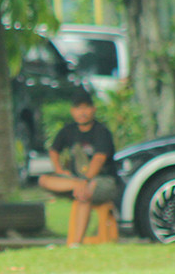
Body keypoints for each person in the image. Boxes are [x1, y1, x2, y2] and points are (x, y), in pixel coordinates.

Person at [37, 88, 118, 246]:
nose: (82, 112)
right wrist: (60, 170)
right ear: (72, 111)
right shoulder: (69, 131)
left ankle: (76, 243)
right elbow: (54, 150)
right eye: (78, 108)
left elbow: (99, 159)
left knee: (84, 194)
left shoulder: (101, 132)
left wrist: (86, 180)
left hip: (102, 181)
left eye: (86, 107)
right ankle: (77, 185)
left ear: (93, 109)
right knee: (44, 180)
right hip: (76, 181)